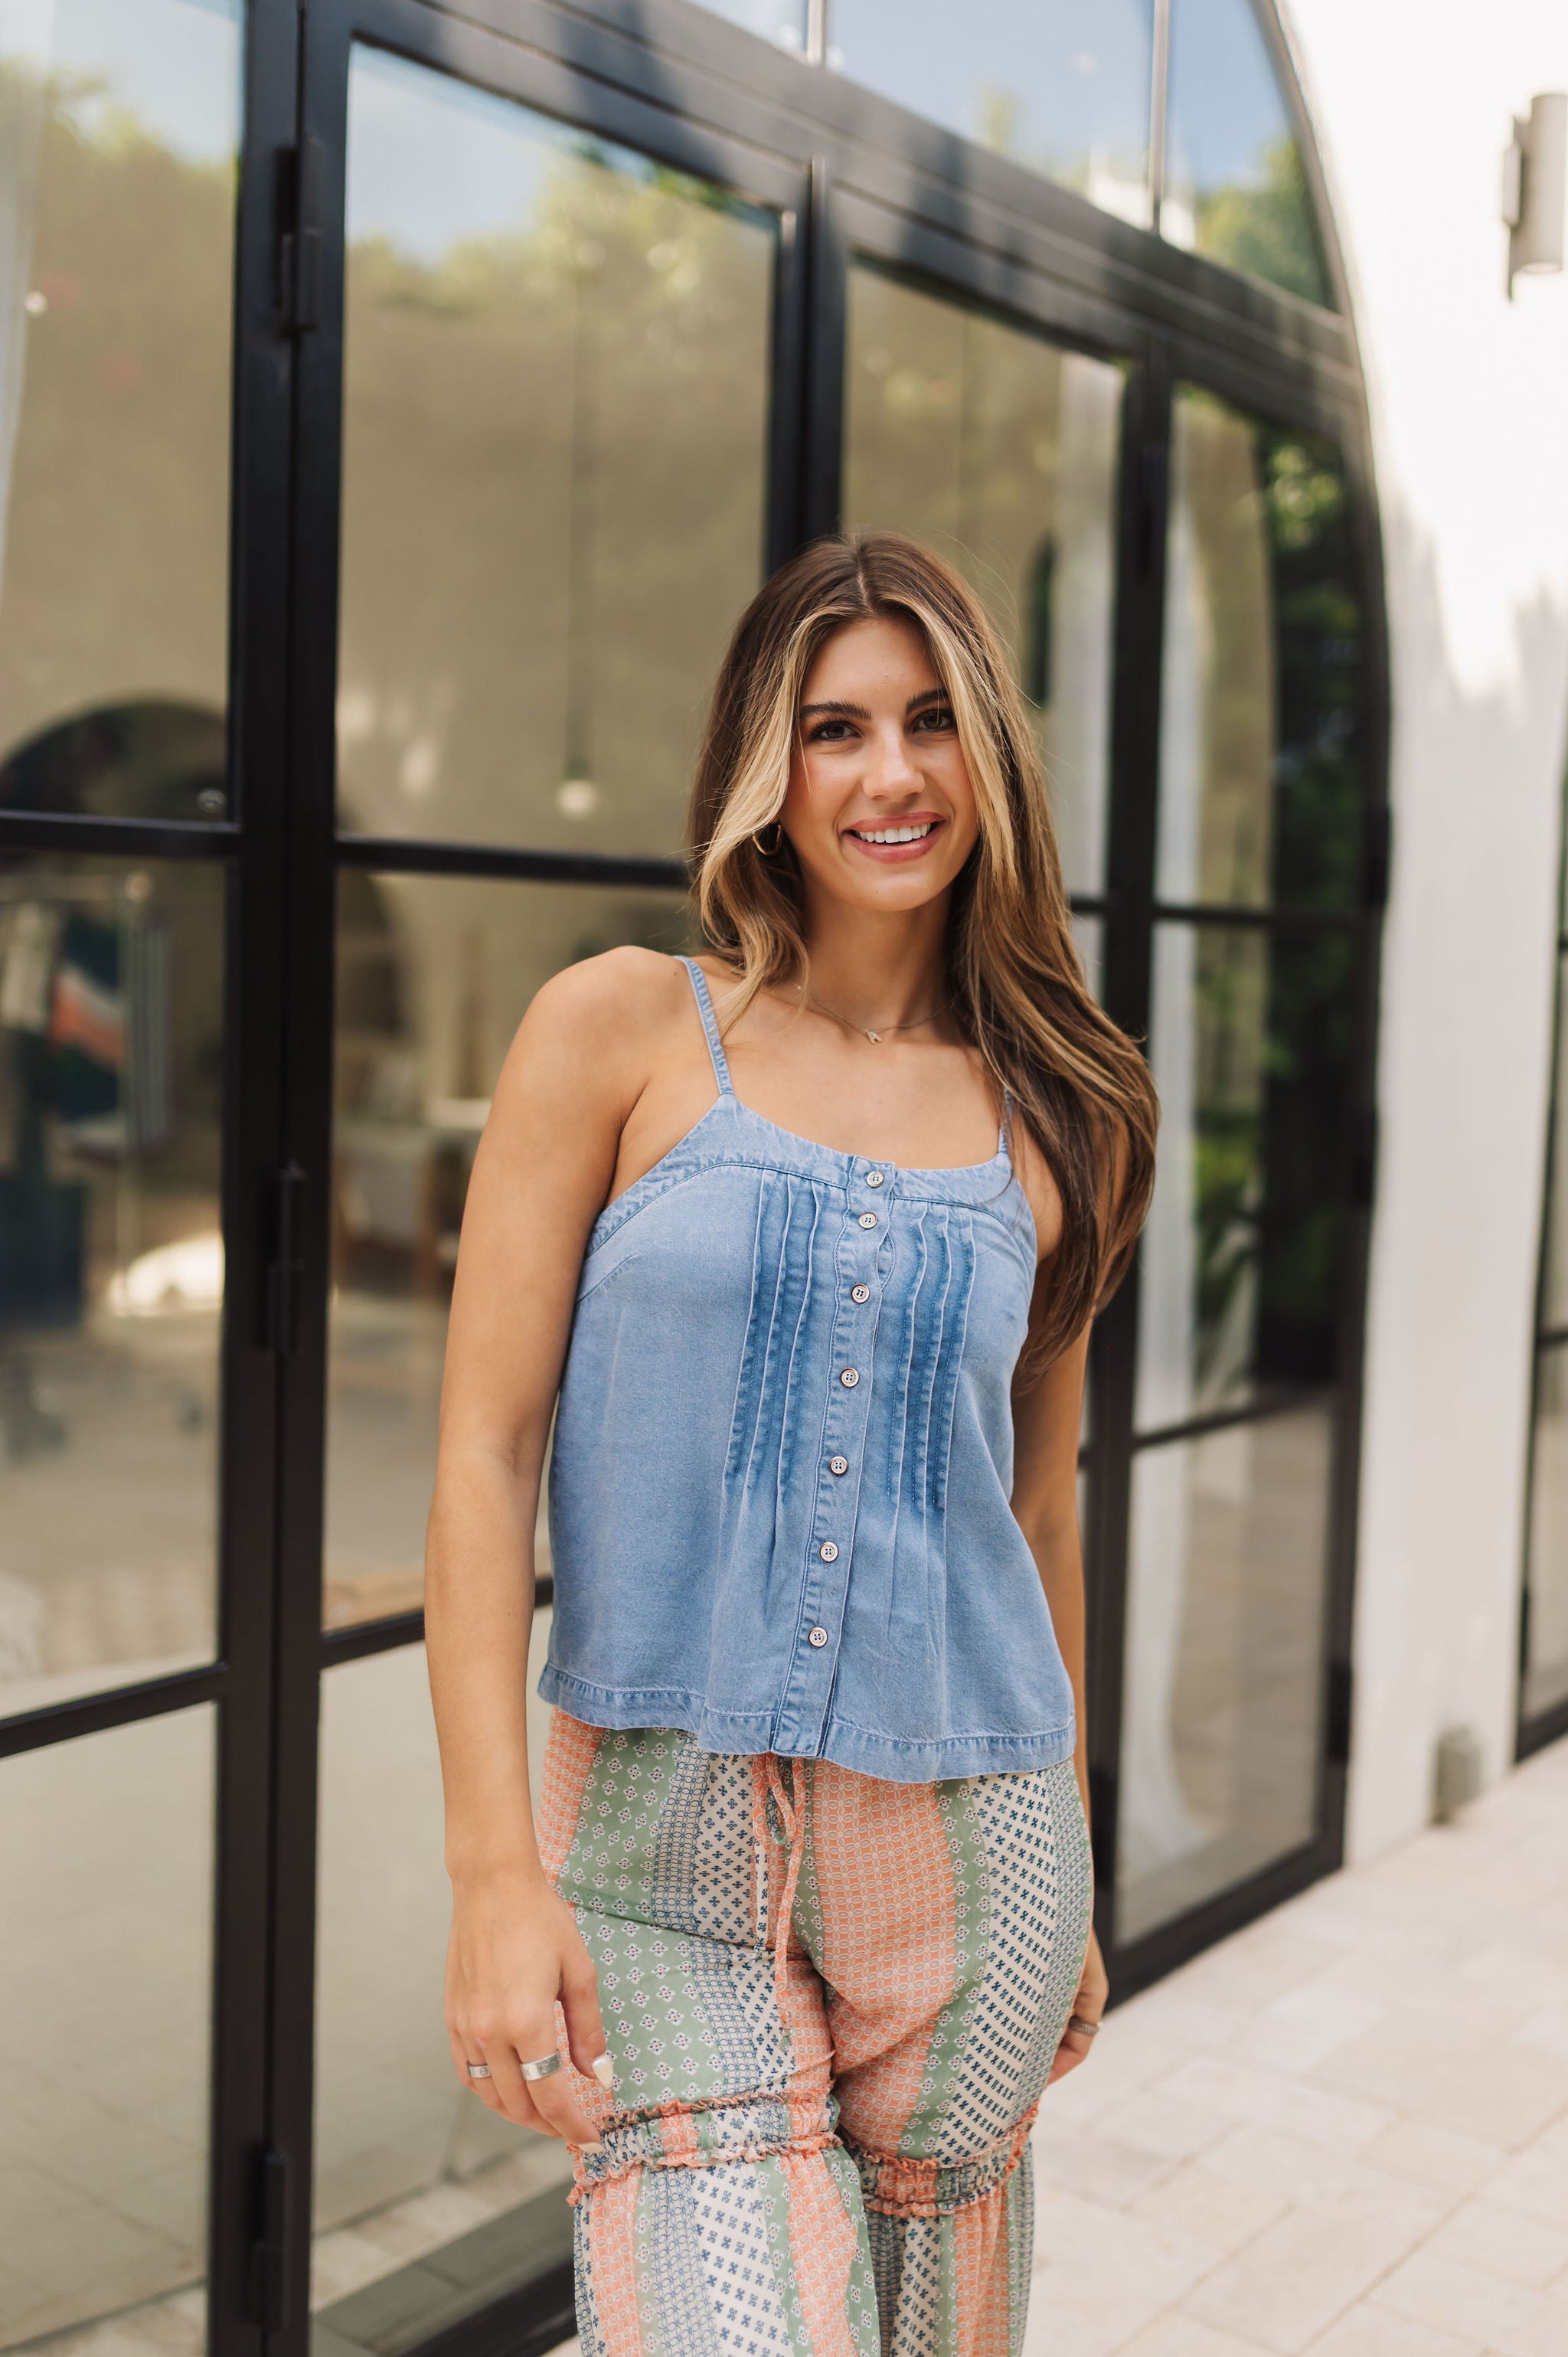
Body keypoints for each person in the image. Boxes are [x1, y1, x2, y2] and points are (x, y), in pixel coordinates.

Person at [424, 532, 1158, 2357]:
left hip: (969, 1861)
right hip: (658, 1862)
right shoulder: (618, 1029)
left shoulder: (1065, 1115)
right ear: (768, 763)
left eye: (929, 724)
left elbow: (1042, 1515)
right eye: (834, 730)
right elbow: (481, 1455)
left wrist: (1072, 1871)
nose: (889, 774)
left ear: (989, 757)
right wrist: (492, 1875)